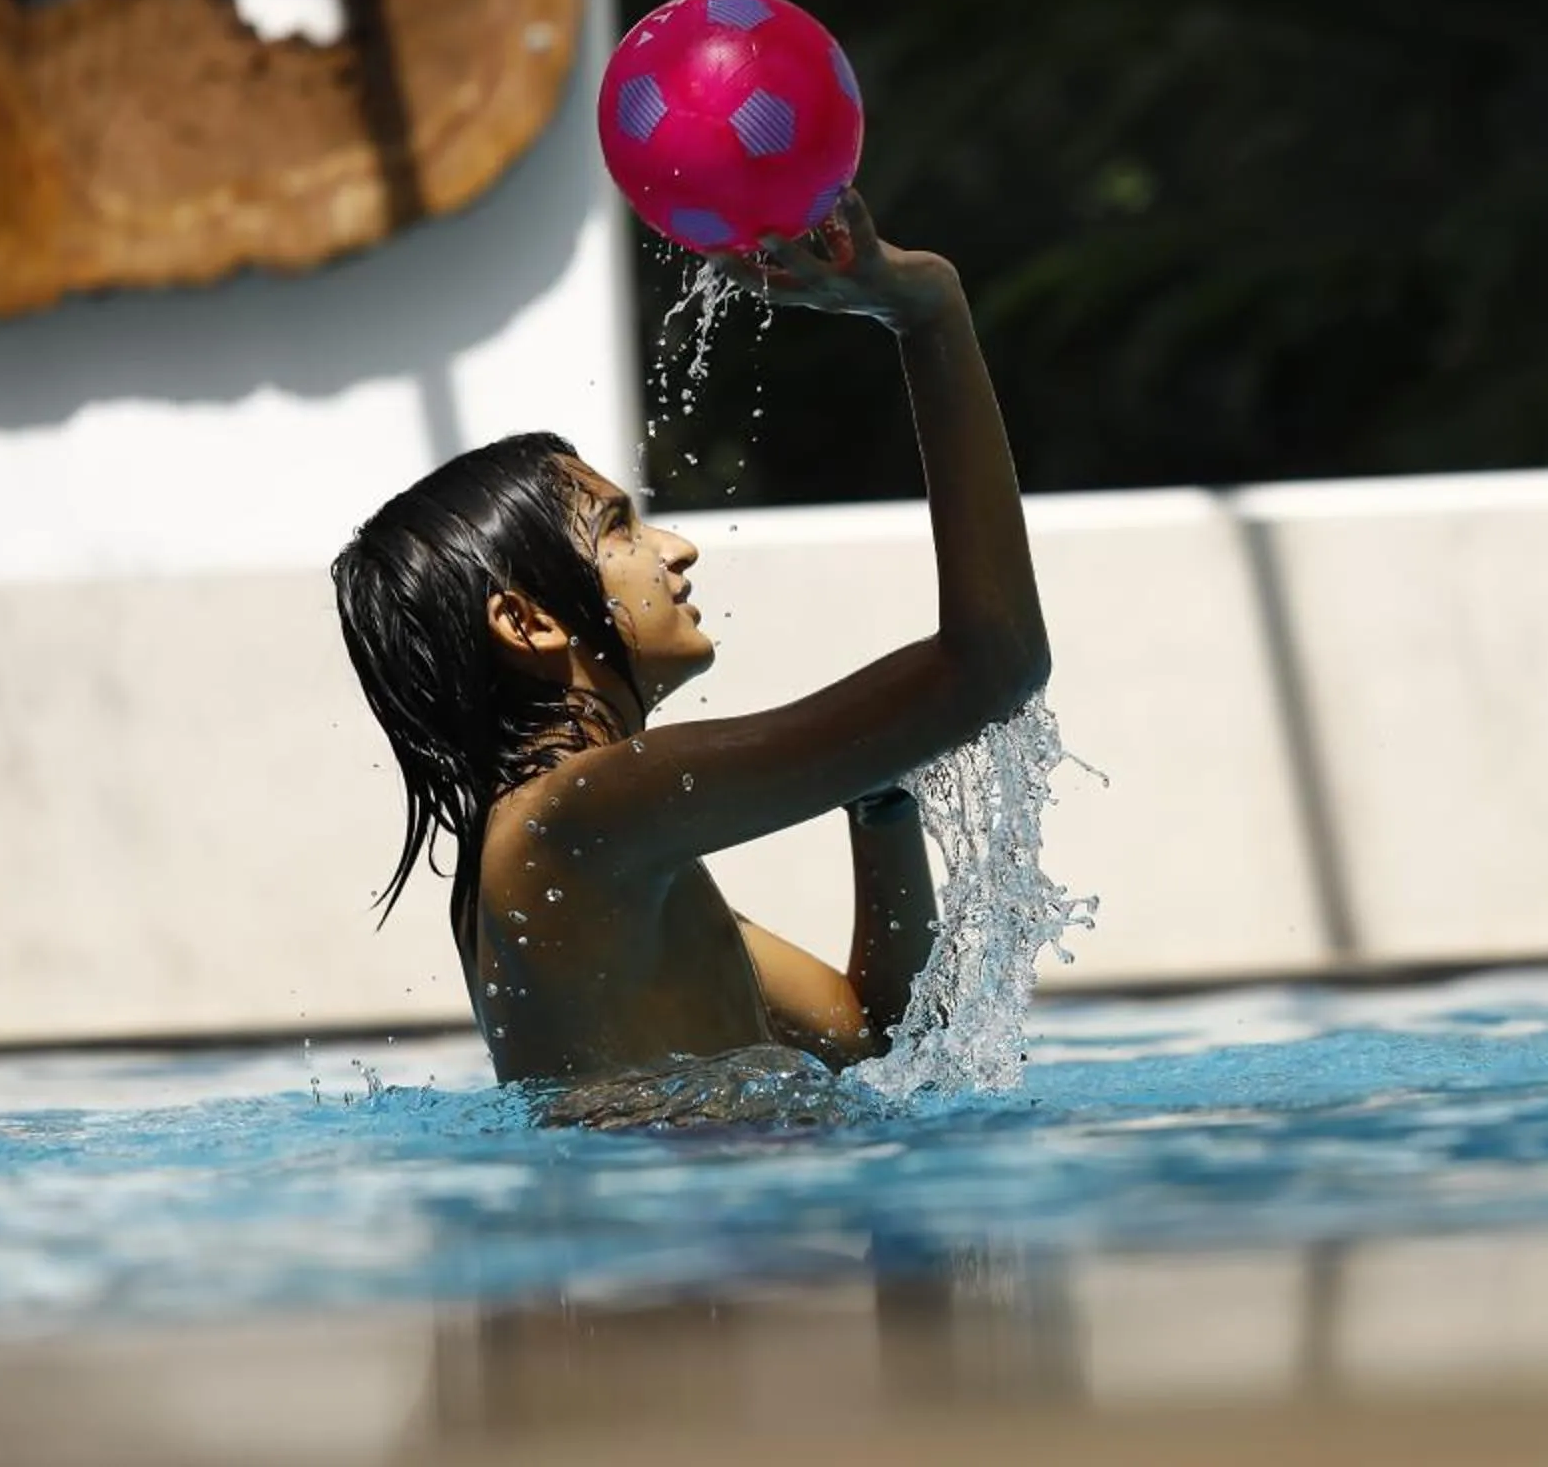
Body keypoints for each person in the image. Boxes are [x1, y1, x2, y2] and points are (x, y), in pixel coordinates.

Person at [329, 190, 1048, 1085]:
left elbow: (878, 1037)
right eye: (622, 529)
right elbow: (997, 663)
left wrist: (879, 798)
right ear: (529, 621)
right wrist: (930, 315)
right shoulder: (571, 819)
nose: (677, 548)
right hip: (695, 1219)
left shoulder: (588, 856)